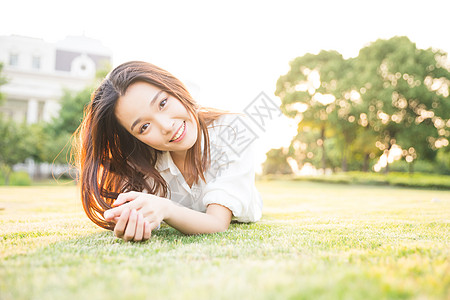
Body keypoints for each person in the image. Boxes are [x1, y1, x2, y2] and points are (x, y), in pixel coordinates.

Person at [74, 61, 263, 242]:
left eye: (163, 103)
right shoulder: (143, 162)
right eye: (144, 126)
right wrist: (132, 218)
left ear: (175, 87)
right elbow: (140, 213)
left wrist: (166, 209)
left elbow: (218, 222)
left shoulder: (233, 130)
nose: (166, 126)